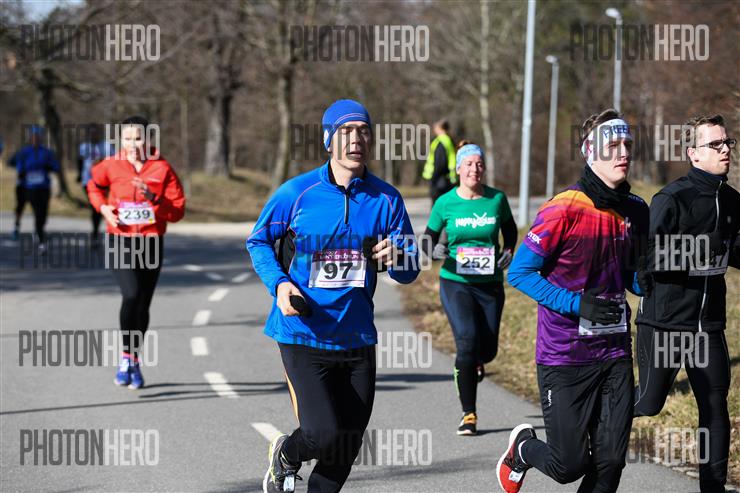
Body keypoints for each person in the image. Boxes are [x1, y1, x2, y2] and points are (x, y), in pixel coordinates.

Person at [247, 99, 419, 493]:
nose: (356, 139)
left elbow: (408, 273)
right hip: (303, 333)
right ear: (328, 140)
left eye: (363, 131)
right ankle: (286, 454)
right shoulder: (297, 193)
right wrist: (280, 284)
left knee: (345, 447)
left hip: (356, 337)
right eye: (346, 131)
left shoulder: (387, 199)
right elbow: (258, 241)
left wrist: (400, 255)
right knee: (322, 433)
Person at [497, 109, 650, 493]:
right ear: (590, 152)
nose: (623, 153)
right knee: (569, 465)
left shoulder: (636, 209)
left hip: (615, 352)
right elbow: (519, 273)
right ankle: (523, 449)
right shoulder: (563, 208)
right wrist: (576, 303)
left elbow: (630, 276)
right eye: (612, 146)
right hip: (564, 355)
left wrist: (645, 280)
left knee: (611, 462)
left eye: (627, 144)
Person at [634, 114, 739, 493]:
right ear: (693, 154)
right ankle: (590, 423)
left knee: (715, 406)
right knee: (648, 404)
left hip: (708, 326)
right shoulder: (671, 198)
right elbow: (646, 257)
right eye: (716, 144)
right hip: (664, 324)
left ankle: (713, 488)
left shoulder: (732, 200)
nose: (725, 150)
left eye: (728, 143)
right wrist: (699, 248)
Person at [421, 141, 517, 436]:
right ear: (459, 169)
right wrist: (434, 250)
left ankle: (476, 361)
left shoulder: (496, 199)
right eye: (469, 164)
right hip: (456, 282)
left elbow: (510, 230)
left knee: (487, 350)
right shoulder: (445, 203)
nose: (474, 169)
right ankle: (469, 414)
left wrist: (509, 251)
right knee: (466, 342)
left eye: (479, 164)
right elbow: (427, 238)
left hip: (490, 284)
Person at [87, 116, 185, 389]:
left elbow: (177, 211)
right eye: (127, 138)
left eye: (138, 138)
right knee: (130, 295)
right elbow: (93, 186)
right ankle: (125, 358)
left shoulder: (162, 168)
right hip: (119, 239)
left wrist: (153, 198)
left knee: (143, 304)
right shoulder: (111, 164)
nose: (132, 144)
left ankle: (133, 359)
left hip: (151, 242)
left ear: (148, 139)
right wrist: (103, 208)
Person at [9, 125, 60, 247]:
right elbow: (13, 162)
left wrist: (50, 167)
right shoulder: (24, 152)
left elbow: (56, 166)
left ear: (41, 138)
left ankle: (39, 230)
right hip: (26, 186)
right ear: (30, 138)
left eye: (38, 137)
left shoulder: (47, 152)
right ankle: (18, 226)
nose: (36, 139)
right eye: (33, 137)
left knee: (42, 212)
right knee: (21, 207)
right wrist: (21, 170)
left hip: (43, 187)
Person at [78, 123, 114, 246]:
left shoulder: (107, 146)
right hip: (88, 181)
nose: (93, 135)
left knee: (104, 206)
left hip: (104, 182)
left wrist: (102, 161)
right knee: (95, 207)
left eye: (95, 133)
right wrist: (79, 175)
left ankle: (108, 232)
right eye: (91, 133)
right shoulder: (84, 147)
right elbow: (80, 161)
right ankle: (95, 233)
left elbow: (114, 162)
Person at [422, 118, 457, 204]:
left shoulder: (441, 142)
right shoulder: (449, 140)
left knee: (438, 207)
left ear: (440, 128)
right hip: (448, 179)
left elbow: (440, 163)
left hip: (439, 181)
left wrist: (434, 179)